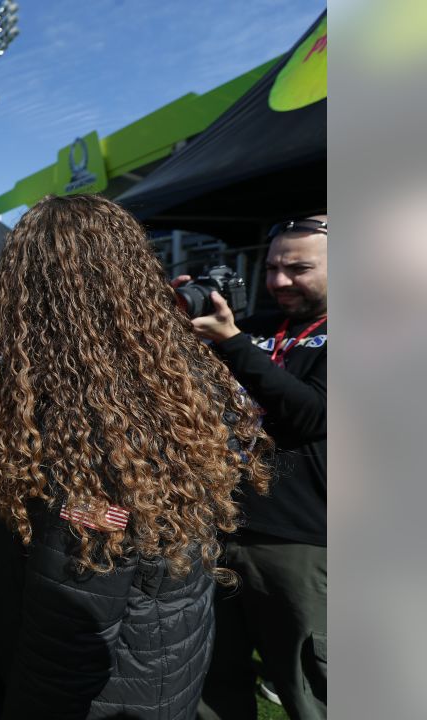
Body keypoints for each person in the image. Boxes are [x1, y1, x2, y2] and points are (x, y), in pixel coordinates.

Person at [0, 195, 273, 719]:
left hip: (109, 695)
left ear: (30, 298)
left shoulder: (88, 431)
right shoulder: (173, 379)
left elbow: (70, 636)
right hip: (163, 664)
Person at [192, 215, 328, 720]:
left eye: (299, 268)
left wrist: (232, 342)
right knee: (214, 685)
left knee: (310, 689)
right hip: (222, 529)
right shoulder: (261, 329)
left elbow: (310, 413)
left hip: (299, 542)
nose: (279, 281)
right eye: (271, 267)